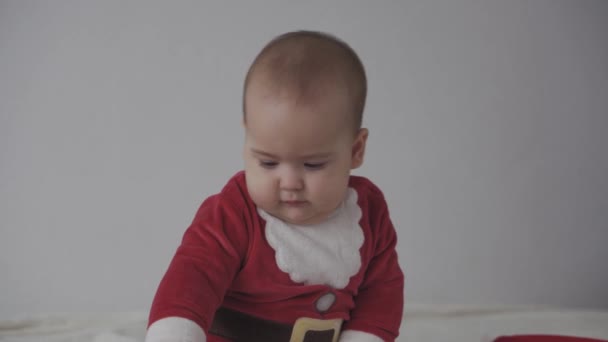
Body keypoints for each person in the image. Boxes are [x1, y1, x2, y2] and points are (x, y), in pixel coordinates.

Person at [145, 30, 404, 342]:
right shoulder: (233, 213)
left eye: (313, 165)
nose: (290, 183)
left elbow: (381, 296)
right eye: (268, 163)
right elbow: (192, 280)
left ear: (355, 151)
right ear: (248, 140)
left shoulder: (369, 213)